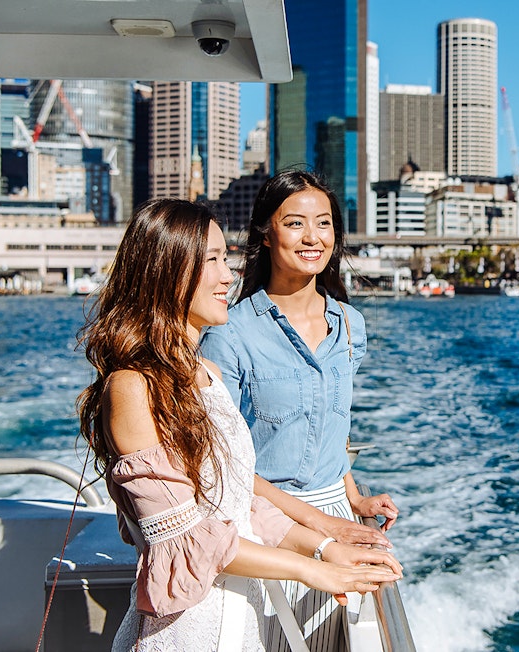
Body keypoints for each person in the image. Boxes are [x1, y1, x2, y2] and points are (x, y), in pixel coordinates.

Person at [77, 198, 401, 651]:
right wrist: (315, 569)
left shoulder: (204, 374)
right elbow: (184, 540)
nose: (227, 276)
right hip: (185, 633)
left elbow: (238, 502)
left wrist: (328, 548)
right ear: (166, 270)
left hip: (238, 623)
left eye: (224, 259)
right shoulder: (133, 387)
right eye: (209, 260)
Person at [200, 170, 400, 645]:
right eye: (295, 224)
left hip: (335, 516)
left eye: (324, 223)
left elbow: (331, 424)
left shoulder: (350, 324)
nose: (313, 237)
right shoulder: (231, 332)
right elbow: (219, 456)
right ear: (266, 236)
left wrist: (352, 497)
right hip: (264, 524)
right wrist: (318, 522)